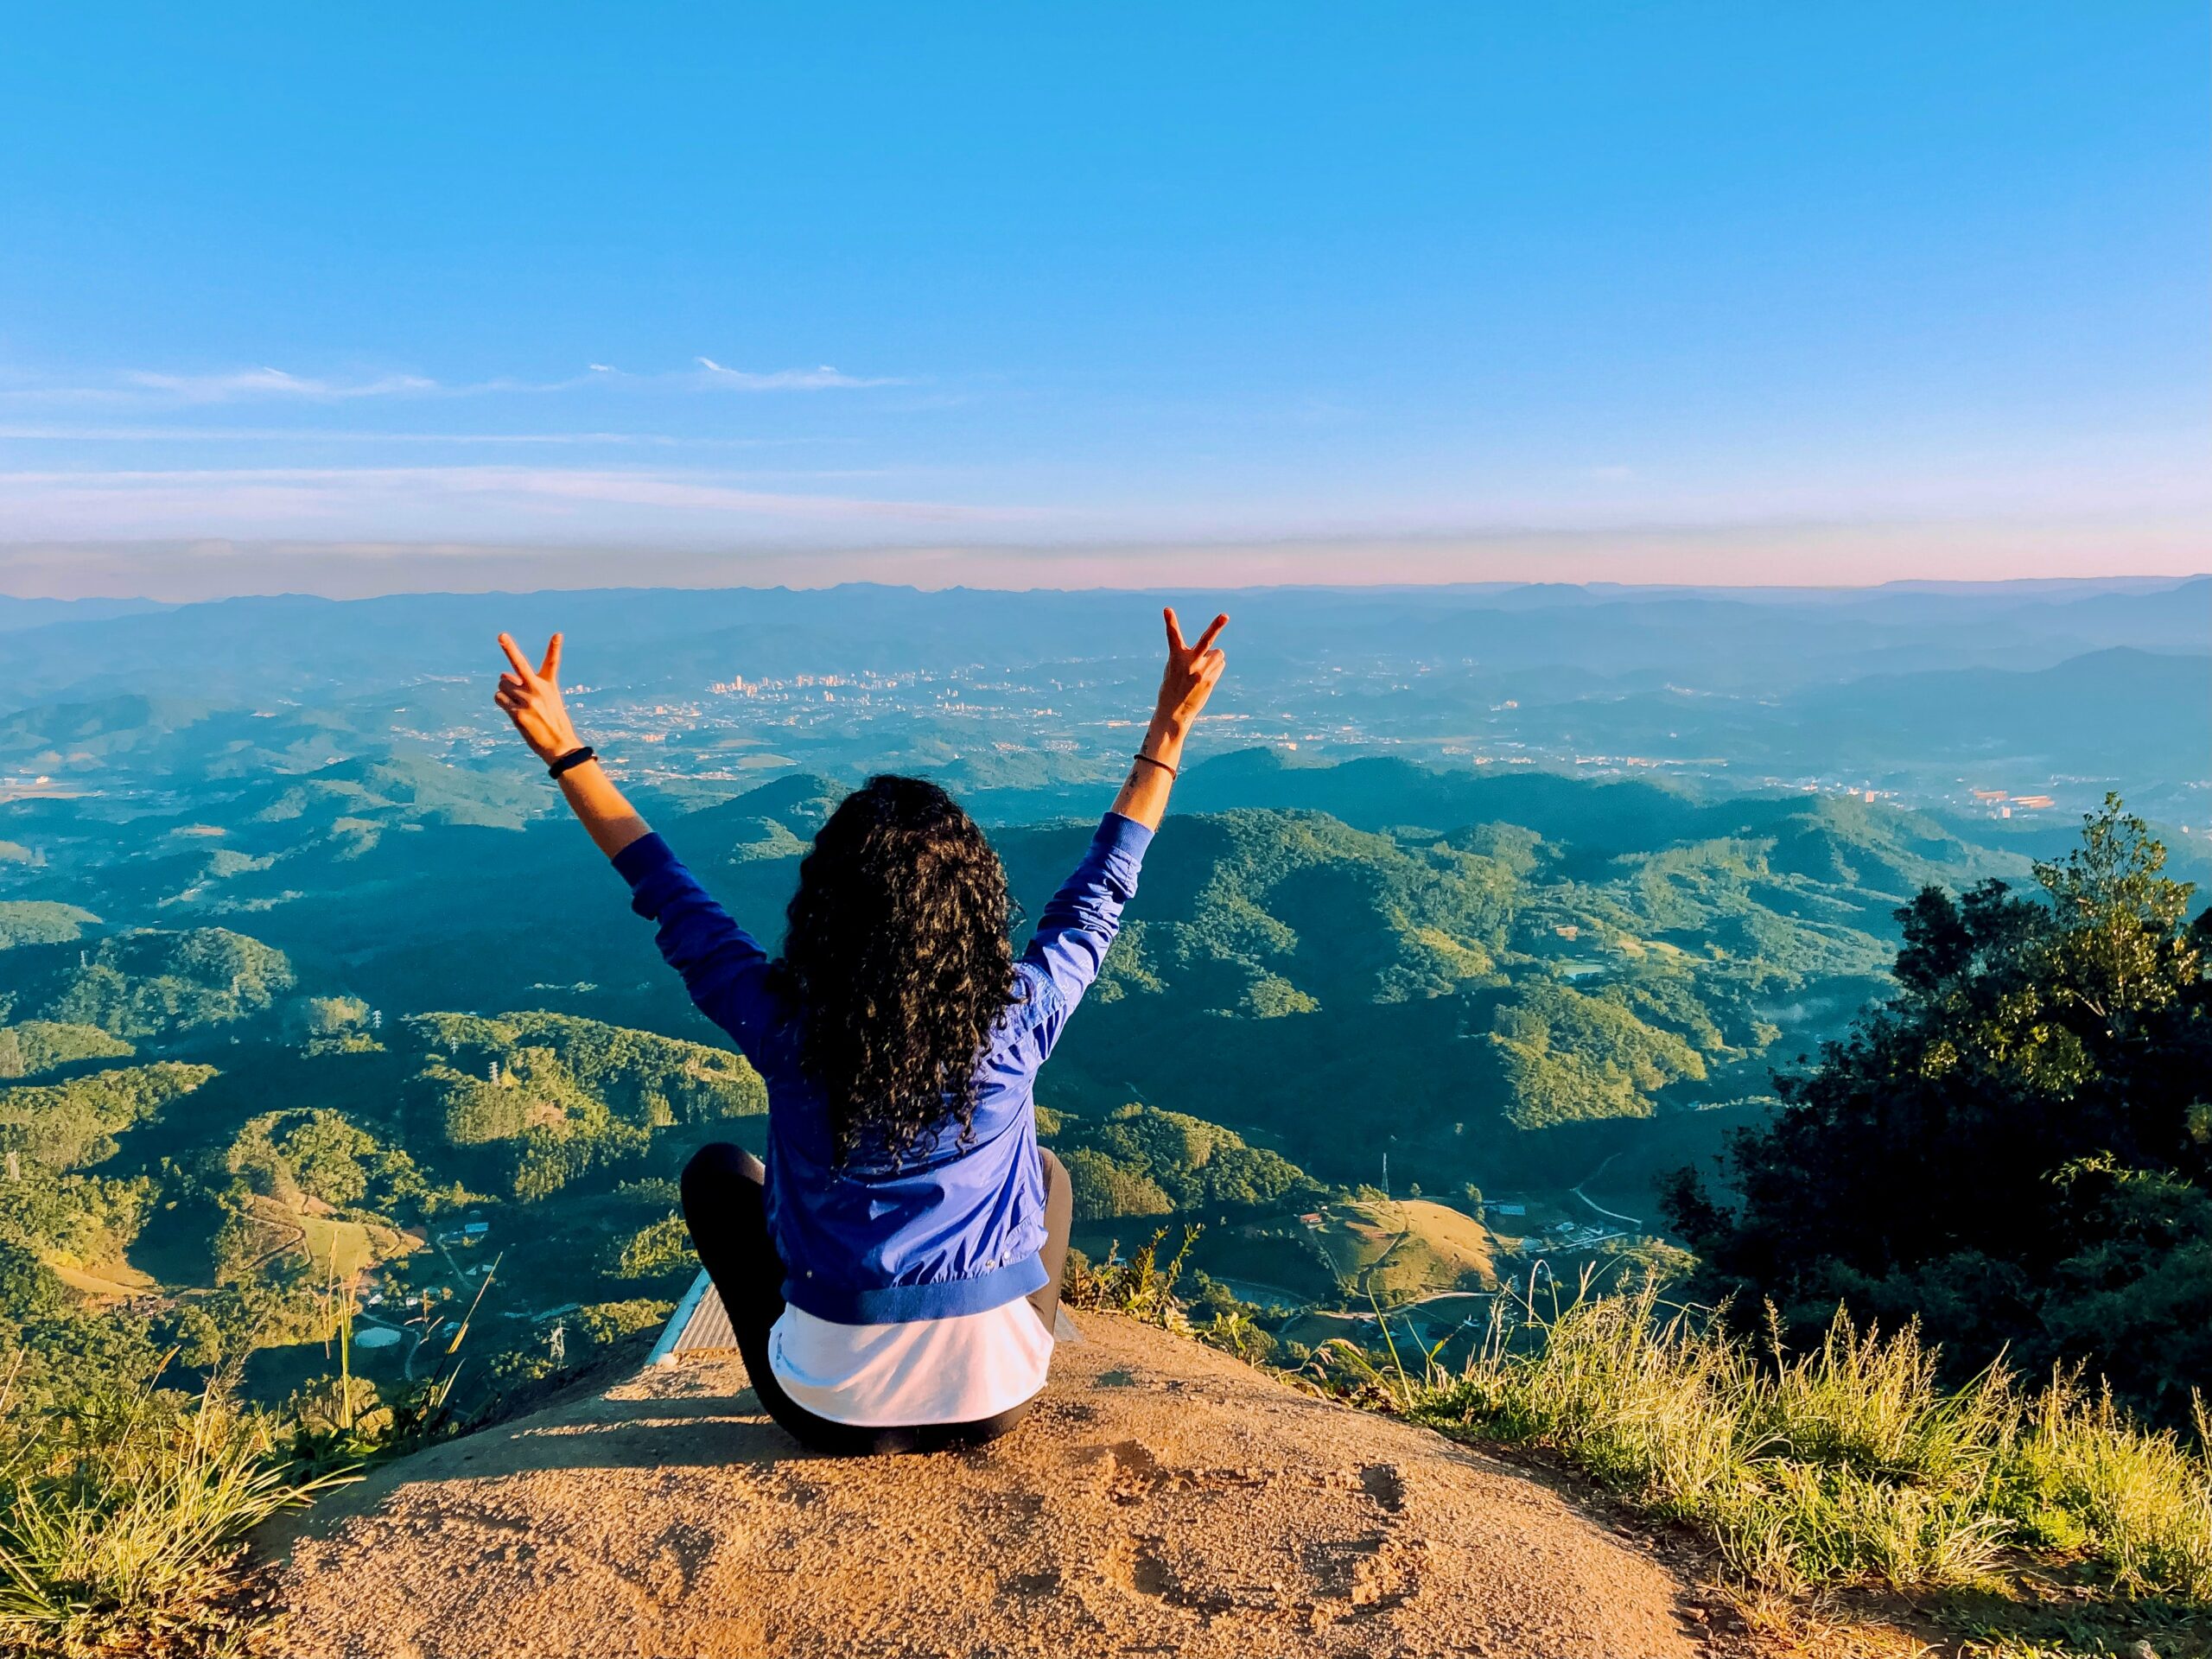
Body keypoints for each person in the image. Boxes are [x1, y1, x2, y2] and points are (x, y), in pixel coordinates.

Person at [492, 607, 1230, 1455]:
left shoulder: (784, 1026)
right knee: (1051, 1174)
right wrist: (1169, 727)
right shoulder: (1016, 1020)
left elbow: (667, 890)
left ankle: (819, 1331)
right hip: (999, 1402)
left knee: (718, 1175)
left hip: (825, 1414)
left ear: (825, 913)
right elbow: (1100, 893)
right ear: (971, 910)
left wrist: (565, 754)